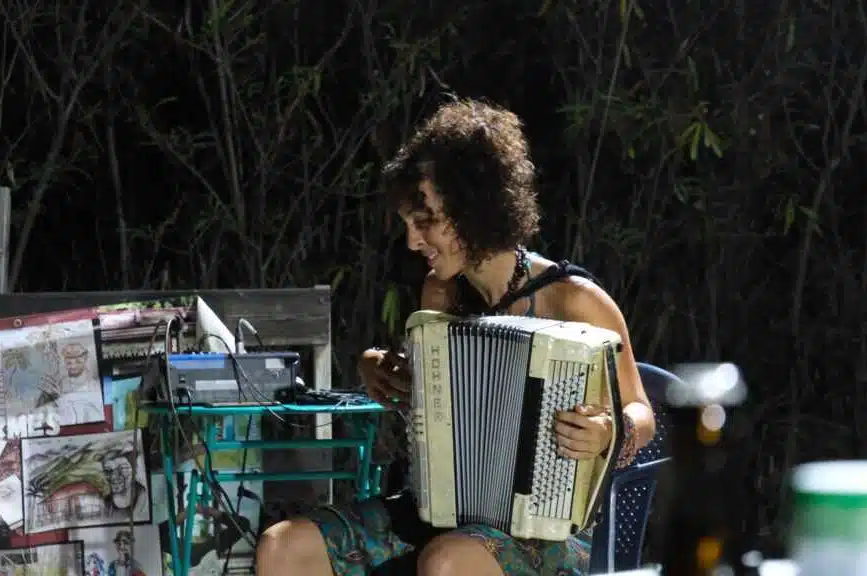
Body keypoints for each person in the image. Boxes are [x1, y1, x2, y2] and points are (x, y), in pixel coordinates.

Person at [254, 99, 656, 576]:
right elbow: (425, 386)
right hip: (441, 511)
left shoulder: (574, 301)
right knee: (281, 547)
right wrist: (381, 367)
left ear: (475, 210)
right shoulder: (440, 291)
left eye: (425, 222)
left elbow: (642, 412)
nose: (412, 241)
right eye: (407, 224)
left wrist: (610, 431)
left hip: (546, 529)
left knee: (447, 561)